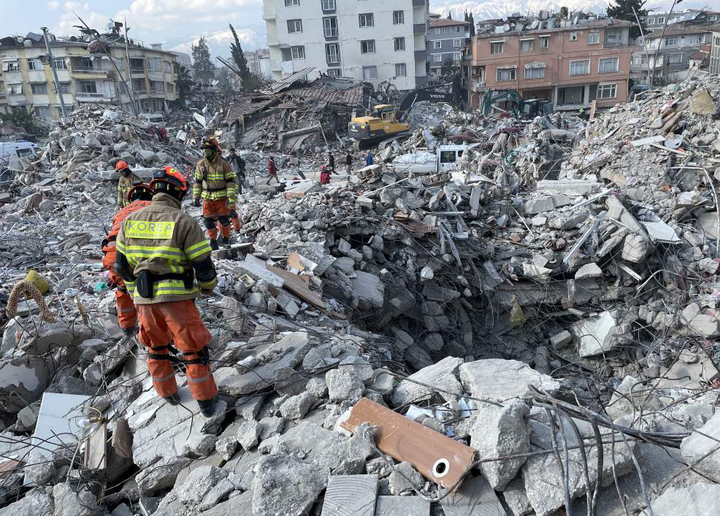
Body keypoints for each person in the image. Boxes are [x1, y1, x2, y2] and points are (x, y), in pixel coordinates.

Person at [115, 166, 219, 416]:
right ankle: (206, 402)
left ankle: (168, 394)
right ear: (179, 194)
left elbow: (122, 267)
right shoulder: (183, 221)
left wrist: (135, 294)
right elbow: (202, 265)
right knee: (193, 349)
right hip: (177, 300)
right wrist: (207, 288)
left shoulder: (129, 222)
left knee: (156, 347)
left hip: (144, 299)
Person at [101, 182, 153, 336]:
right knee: (148, 290)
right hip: (137, 253)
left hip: (113, 256)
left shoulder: (122, 212)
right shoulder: (154, 208)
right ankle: (150, 333)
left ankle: (127, 328)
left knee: (123, 288)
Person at [193, 138, 236, 250]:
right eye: (204, 151)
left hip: (222, 198)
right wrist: (196, 197)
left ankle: (226, 239)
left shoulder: (224, 164)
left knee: (224, 221)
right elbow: (197, 182)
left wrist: (231, 199)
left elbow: (231, 183)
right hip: (208, 198)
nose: (205, 153)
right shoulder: (200, 164)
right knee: (208, 222)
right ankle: (213, 240)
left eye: (207, 150)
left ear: (214, 150)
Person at [227, 147, 246, 232]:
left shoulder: (237, 157)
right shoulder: (227, 158)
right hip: (230, 173)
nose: (232, 153)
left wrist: (241, 168)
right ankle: (234, 194)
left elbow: (243, 162)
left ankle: (240, 193)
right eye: (231, 152)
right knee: (231, 185)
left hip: (237, 172)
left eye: (233, 152)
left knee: (238, 184)